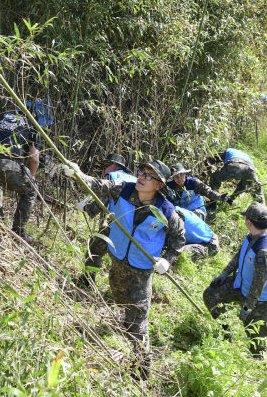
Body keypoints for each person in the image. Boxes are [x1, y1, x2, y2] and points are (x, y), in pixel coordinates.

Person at [59, 158, 185, 379]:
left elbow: (178, 238)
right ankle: (126, 324)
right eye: (142, 172)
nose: (142, 177)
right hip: (117, 258)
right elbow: (97, 185)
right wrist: (78, 174)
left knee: (137, 321)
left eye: (149, 176)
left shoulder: (165, 211)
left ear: (160, 185)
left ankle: (141, 371)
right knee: (120, 301)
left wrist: (167, 259)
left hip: (141, 269)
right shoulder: (123, 190)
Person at [203, 202, 267, 357]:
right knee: (210, 295)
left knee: (255, 340)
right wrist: (224, 274)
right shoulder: (252, 236)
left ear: (249, 222)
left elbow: (258, 287)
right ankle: (226, 334)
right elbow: (240, 255)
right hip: (241, 285)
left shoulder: (264, 253)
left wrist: (247, 309)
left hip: (260, 302)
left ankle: (258, 369)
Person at [0, 101, 53, 243]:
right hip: (5, 163)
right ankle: (19, 232)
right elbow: (35, 158)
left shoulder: (2, 116)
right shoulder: (33, 124)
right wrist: (31, 177)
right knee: (31, 191)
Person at [73, 153, 136, 290]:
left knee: (94, 249)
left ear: (113, 166)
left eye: (105, 167)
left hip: (118, 225)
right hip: (135, 229)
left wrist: (84, 207)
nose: (103, 171)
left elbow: (100, 205)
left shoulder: (112, 178)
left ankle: (86, 282)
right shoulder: (135, 179)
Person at [204, 148, 264, 219]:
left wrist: (208, 170)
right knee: (256, 190)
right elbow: (242, 186)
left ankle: (212, 205)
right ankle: (262, 214)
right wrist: (232, 198)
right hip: (251, 169)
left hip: (236, 164)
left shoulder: (228, 151)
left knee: (215, 177)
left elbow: (211, 160)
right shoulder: (247, 156)